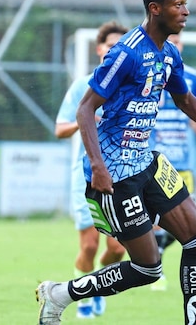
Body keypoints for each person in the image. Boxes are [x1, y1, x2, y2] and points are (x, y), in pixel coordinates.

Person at [35, 0, 196, 325]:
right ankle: (60, 294)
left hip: (149, 163)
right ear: (155, 9)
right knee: (147, 269)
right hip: (116, 176)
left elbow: (185, 98)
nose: (185, 11)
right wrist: (98, 166)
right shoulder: (125, 54)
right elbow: (85, 109)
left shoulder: (169, 53)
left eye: (185, 3)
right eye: (178, 4)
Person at [54, 20, 128, 319]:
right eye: (110, 46)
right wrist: (85, 121)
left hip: (121, 175)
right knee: (89, 245)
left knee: (118, 249)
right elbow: (60, 129)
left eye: (120, 47)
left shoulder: (130, 87)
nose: (115, 51)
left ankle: (96, 281)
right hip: (85, 176)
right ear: (100, 50)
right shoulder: (82, 86)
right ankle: (83, 297)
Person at [149, 32, 196, 291]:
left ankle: (161, 264)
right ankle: (157, 271)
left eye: (179, 41)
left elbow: (193, 111)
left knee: (189, 219)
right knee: (158, 217)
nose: (175, 45)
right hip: (155, 156)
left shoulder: (190, 76)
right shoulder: (149, 68)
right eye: (172, 41)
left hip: (183, 159)